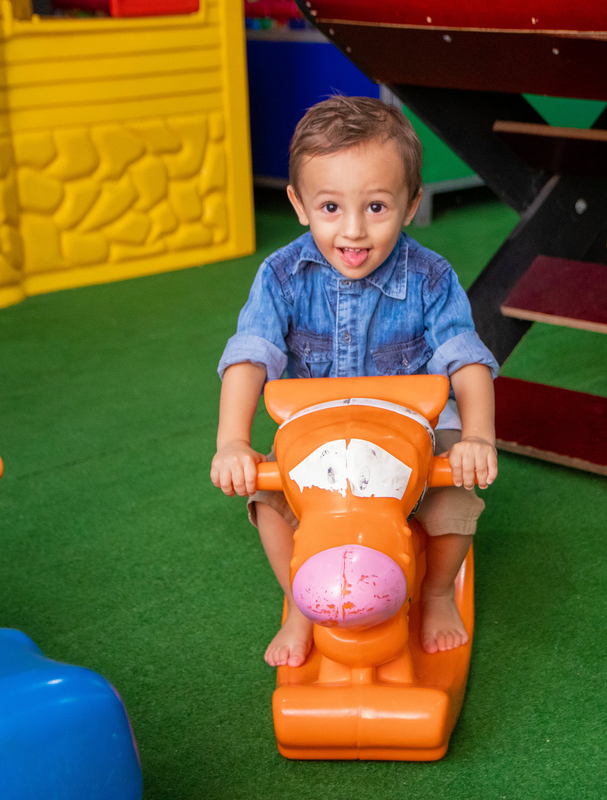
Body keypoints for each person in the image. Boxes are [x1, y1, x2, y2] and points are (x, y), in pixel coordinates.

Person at [210, 95, 498, 668]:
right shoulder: (281, 276)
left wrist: (478, 437)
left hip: (413, 434)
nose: (353, 231)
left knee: (454, 503)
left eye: (375, 207)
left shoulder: (431, 278)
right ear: (298, 205)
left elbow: (466, 361)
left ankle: (438, 592)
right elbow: (250, 355)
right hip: (316, 438)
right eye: (331, 208)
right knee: (267, 500)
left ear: (411, 203)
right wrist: (232, 442)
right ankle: (297, 602)